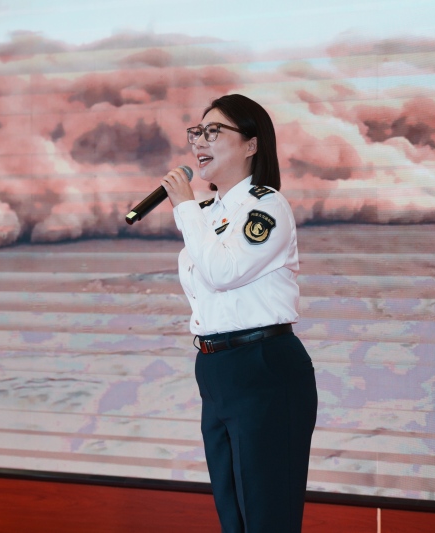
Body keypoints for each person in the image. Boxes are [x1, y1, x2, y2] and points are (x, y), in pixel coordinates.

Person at [161, 94, 318, 533]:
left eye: (214, 132)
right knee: (235, 518)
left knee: (267, 518)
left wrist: (184, 206)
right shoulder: (206, 213)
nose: (200, 142)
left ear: (251, 144)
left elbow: (222, 272)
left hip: (262, 366)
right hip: (216, 367)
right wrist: (191, 211)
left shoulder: (267, 206)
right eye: (197, 132)